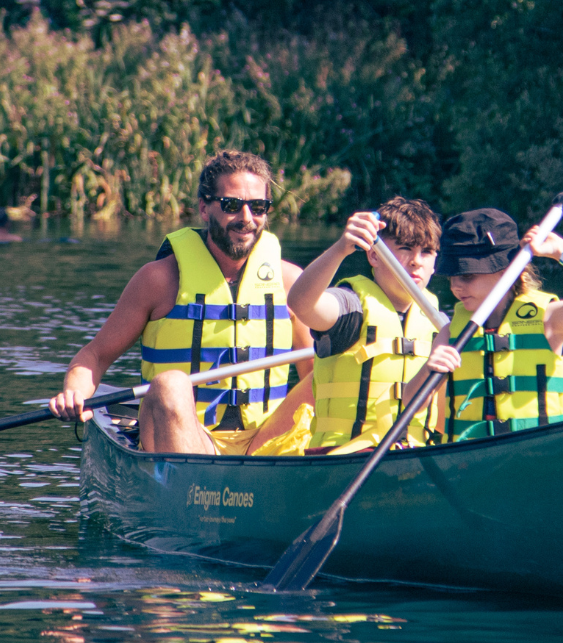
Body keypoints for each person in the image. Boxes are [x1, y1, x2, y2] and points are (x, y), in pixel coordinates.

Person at [49, 150, 314, 454]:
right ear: (204, 208)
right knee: (170, 384)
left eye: (258, 207)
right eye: (231, 205)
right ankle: (193, 477)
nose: (246, 218)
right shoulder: (158, 280)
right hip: (189, 440)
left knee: (331, 370)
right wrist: (74, 393)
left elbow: (314, 375)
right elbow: (94, 356)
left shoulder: (293, 283)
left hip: (266, 443)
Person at [430, 207, 563, 441]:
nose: (455, 286)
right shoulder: (449, 334)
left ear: (506, 270)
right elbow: (431, 416)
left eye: (467, 276)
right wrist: (429, 370)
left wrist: (562, 251)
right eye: (452, 276)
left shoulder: (549, 319)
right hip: (472, 456)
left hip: (545, 451)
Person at [278, 196, 444, 454]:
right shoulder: (351, 307)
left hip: (416, 454)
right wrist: (341, 249)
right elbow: (301, 304)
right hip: (344, 455)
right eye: (405, 248)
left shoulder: (441, 324)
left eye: (427, 252)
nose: (416, 261)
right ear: (374, 256)